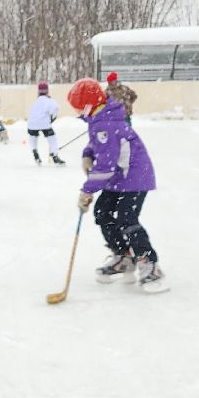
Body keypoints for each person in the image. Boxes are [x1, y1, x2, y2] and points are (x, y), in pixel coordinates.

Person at [67, 78, 165, 291]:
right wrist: (87, 154)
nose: (77, 112)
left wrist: (86, 191)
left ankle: (150, 264)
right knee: (102, 212)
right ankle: (124, 257)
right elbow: (96, 144)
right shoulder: (101, 118)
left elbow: (106, 166)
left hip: (134, 177)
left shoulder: (106, 123)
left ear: (88, 106)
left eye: (78, 107)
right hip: (119, 179)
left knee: (126, 218)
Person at [27, 81, 67, 166]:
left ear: (38, 91)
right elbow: (55, 109)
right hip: (44, 123)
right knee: (52, 138)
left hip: (32, 124)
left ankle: (35, 153)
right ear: (47, 90)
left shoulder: (36, 101)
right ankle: (55, 157)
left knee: (33, 137)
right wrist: (52, 119)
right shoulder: (49, 100)